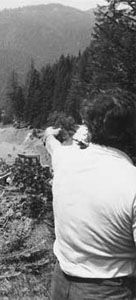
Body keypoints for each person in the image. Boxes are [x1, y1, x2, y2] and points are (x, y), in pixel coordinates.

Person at [45, 90, 136, 300]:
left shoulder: (64, 160)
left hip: (61, 284)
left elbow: (53, 146)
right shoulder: (131, 182)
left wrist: (49, 134)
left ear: (90, 128)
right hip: (110, 291)